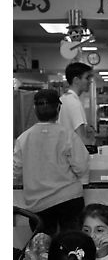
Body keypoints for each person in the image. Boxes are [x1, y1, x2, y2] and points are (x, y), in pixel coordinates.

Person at [13, 89, 89, 236]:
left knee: (43, 251)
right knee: (71, 245)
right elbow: (81, 165)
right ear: (59, 109)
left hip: (38, 205)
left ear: (35, 110)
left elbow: (15, 171)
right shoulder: (67, 135)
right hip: (69, 200)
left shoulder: (23, 139)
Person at [58, 61, 95, 146]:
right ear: (76, 80)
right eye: (87, 78)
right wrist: (91, 141)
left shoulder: (63, 99)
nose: (90, 81)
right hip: (73, 156)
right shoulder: (74, 103)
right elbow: (81, 139)